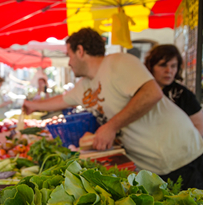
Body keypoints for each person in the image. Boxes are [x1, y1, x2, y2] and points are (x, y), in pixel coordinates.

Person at [23, 28, 203, 190]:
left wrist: (111, 127)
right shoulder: (85, 85)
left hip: (183, 157)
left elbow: (152, 93)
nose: (69, 62)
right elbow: (61, 100)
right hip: (156, 167)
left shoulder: (118, 62)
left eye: (69, 55)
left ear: (80, 51)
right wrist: (32, 106)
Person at [145, 44, 203, 136]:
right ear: (151, 67)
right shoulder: (140, 90)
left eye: (173, 66)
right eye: (163, 65)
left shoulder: (183, 94)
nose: (169, 71)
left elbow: (199, 125)